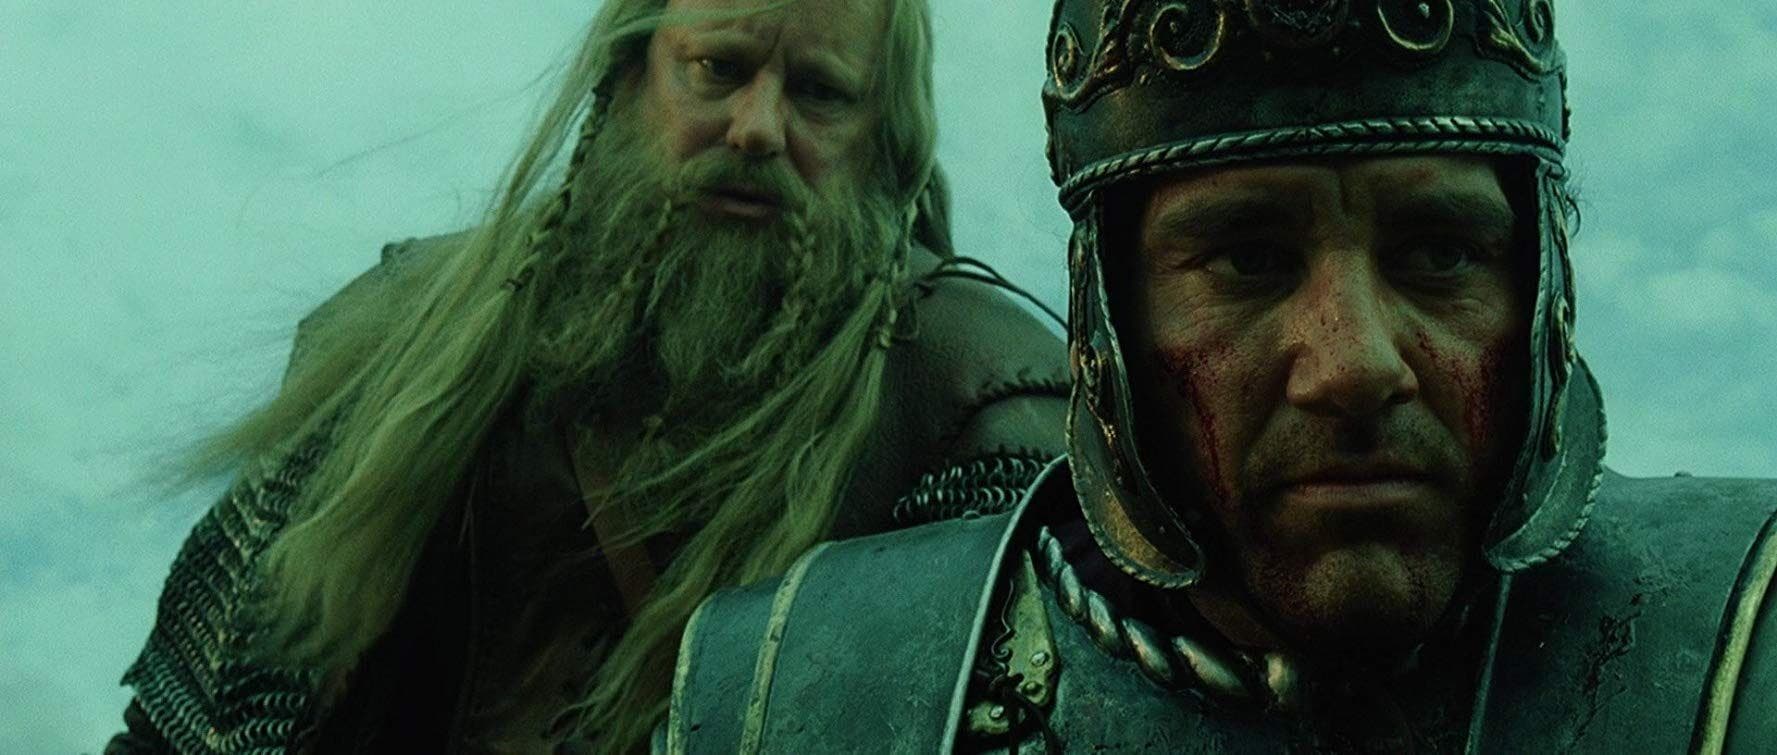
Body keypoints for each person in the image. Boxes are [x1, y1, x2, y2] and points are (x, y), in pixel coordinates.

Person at [664, 0, 1777, 751]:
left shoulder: (1742, 650)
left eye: (1439, 251)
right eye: (1248, 257)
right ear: (1109, 314)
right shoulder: (790, 688)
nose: (1354, 363)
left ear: (1539, 282)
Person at [105, 1, 1070, 753]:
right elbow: (189, 726)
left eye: (819, 92)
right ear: (628, 77)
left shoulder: (974, 409)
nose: (756, 127)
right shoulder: (404, 338)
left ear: (883, 135)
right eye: (717, 69)